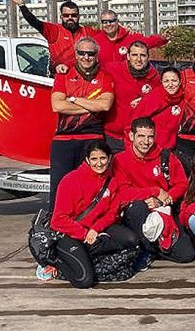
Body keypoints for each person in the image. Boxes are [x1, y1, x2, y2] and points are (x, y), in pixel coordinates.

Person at [40, 140, 140, 288]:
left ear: (110, 158)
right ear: (87, 160)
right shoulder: (71, 181)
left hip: (94, 230)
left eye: (103, 158)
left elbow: (112, 213)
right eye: (94, 159)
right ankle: (56, 262)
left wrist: (95, 229)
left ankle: (85, 256)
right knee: (84, 280)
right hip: (69, 234)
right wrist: (84, 233)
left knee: (132, 240)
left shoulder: (112, 181)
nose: (99, 163)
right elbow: (58, 220)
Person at [114, 117, 195, 264]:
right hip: (138, 211)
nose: (146, 141)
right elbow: (122, 193)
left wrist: (162, 199)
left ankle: (152, 250)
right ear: (131, 136)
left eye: (150, 136)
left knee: (187, 255)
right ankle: (147, 247)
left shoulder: (165, 156)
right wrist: (154, 191)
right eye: (141, 136)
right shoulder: (120, 160)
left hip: (164, 208)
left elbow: (182, 184)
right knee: (137, 207)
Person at [48, 37, 115, 210]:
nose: (86, 57)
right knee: (60, 185)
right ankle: (56, 223)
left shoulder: (105, 77)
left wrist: (73, 99)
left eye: (90, 53)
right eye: (82, 53)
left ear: (96, 55)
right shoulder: (64, 76)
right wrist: (92, 107)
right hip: (64, 138)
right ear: (76, 55)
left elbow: (105, 105)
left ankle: (88, 222)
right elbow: (57, 105)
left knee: (91, 184)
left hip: (92, 137)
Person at [7, 0, 96, 74]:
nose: (70, 18)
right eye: (66, 15)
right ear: (61, 17)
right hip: (60, 75)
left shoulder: (86, 32)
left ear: (78, 16)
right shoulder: (54, 30)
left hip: (82, 76)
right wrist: (22, 5)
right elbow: (34, 22)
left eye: (73, 15)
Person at [102, 40, 161, 152]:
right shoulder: (113, 69)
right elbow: (89, 66)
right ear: (128, 56)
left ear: (148, 57)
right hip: (112, 136)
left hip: (139, 140)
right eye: (134, 55)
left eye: (143, 55)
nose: (138, 59)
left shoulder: (155, 78)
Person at [130, 65, 184, 150]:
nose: (170, 84)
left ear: (180, 82)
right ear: (161, 82)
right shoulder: (154, 97)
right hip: (152, 146)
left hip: (171, 146)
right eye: (166, 81)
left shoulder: (183, 98)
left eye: (174, 81)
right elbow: (135, 120)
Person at [91, 9, 170, 64]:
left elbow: (148, 41)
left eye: (111, 21)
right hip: (105, 82)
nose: (108, 24)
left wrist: (162, 38)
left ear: (117, 21)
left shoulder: (130, 36)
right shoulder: (95, 41)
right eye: (105, 22)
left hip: (126, 80)